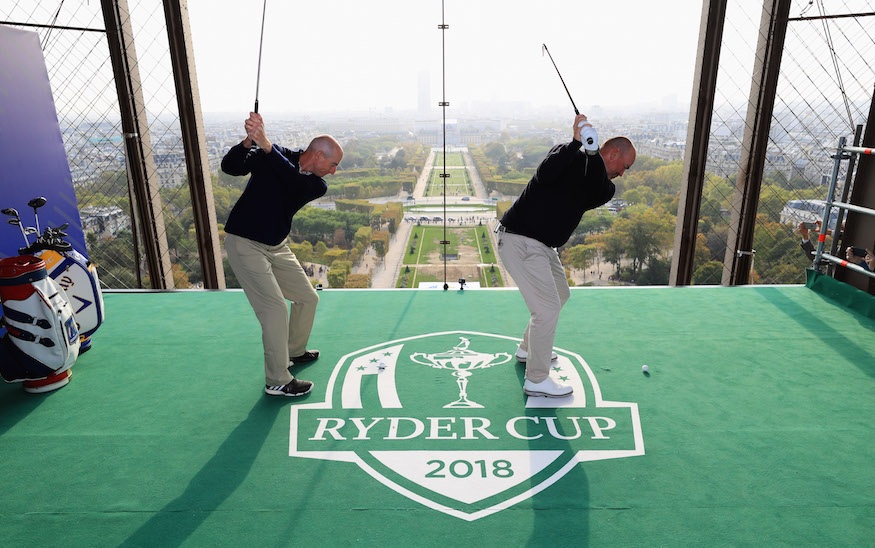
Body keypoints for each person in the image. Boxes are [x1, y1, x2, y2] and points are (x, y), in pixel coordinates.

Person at [497, 114, 635, 397]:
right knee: (546, 309)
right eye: (625, 166)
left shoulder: (605, 187)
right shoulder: (566, 155)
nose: (623, 173)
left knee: (560, 295)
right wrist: (576, 143)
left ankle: (527, 350)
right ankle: (536, 381)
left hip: (543, 247)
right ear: (615, 153)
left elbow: (594, 185)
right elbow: (545, 174)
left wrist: (593, 153)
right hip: (520, 240)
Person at [222, 112, 343, 397]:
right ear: (317, 155)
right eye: (333, 164)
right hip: (245, 243)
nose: (335, 171)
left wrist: (266, 145)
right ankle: (277, 379)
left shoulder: (316, 184)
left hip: (277, 246)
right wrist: (248, 142)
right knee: (274, 309)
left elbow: (292, 181)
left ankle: (293, 351)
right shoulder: (273, 154)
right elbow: (231, 167)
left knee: (307, 298)